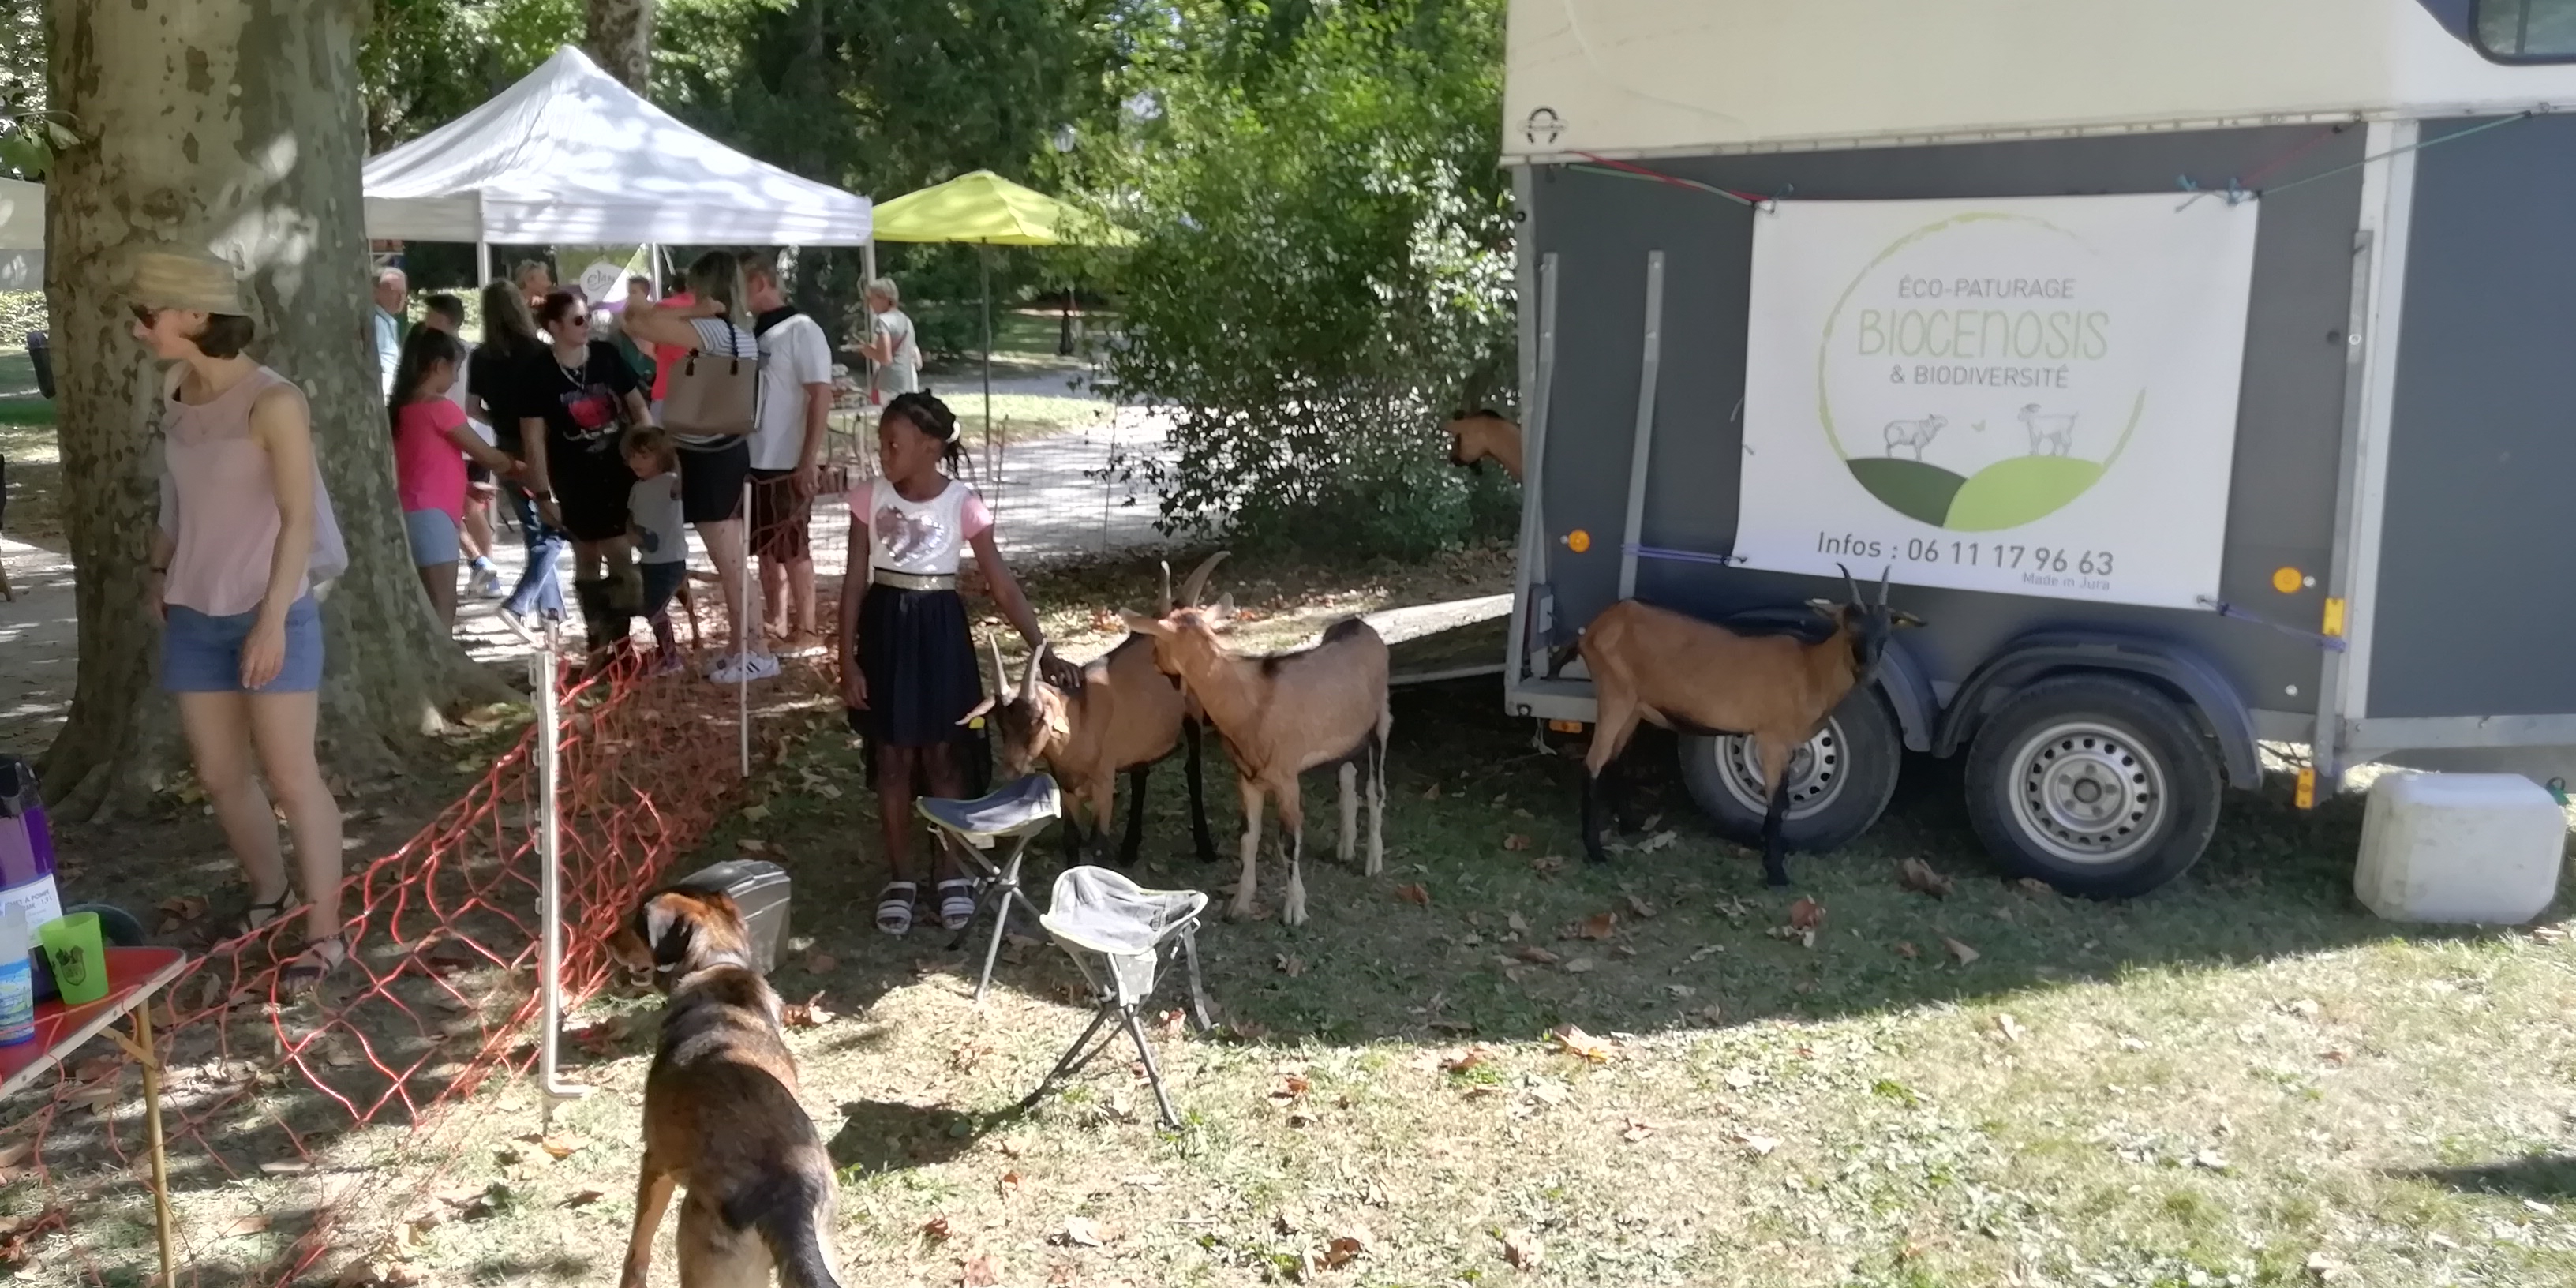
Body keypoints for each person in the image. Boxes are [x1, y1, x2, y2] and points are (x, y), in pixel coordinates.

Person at [131, 249, 349, 991]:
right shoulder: (175, 388)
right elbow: (177, 498)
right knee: (222, 775)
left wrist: (272, 621)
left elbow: (297, 519)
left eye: (148, 314)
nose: (139, 329)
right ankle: (270, 894)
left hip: (272, 611)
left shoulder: (275, 401)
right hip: (194, 611)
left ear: (196, 314)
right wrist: (158, 571)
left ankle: (325, 935)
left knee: (292, 776)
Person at [841, 391, 1073, 936]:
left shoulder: (963, 504)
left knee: (946, 757)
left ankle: (950, 874)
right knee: (892, 759)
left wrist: (1044, 649)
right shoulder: (868, 498)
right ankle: (901, 877)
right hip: (885, 635)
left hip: (941, 636)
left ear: (929, 446)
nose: (883, 454)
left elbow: (1002, 585)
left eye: (893, 444)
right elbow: (853, 583)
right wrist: (846, 659)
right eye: (881, 444)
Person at [621, 252, 774, 683]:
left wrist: (690, 308)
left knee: (730, 563)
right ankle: (744, 647)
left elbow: (635, 319)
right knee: (733, 561)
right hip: (728, 449)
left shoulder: (708, 329)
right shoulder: (740, 332)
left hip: (707, 455)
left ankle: (756, 651)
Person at [518, 289, 652, 659]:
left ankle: (621, 644)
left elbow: (639, 408)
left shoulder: (606, 355)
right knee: (587, 556)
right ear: (554, 327)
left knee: (621, 552)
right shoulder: (538, 371)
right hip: (573, 478)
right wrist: (542, 493)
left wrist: (653, 459)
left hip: (620, 471)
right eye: (578, 320)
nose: (586, 324)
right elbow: (533, 438)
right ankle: (598, 642)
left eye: (588, 317)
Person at [391, 327, 519, 629]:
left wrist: (467, 487)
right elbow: (486, 455)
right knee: (443, 604)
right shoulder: (439, 408)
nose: (457, 379)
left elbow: (420, 465)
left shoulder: (401, 409)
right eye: (456, 370)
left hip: (410, 511)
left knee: (428, 604)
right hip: (433, 516)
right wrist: (516, 464)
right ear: (438, 366)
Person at [743, 253, 835, 654]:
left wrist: (807, 458)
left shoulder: (803, 330)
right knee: (765, 548)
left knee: (794, 546)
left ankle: (808, 628)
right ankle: (777, 619)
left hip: (787, 459)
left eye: (740, 286)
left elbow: (820, 394)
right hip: (754, 459)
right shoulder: (754, 334)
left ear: (760, 283)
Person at [474, 281, 566, 640]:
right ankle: (520, 602)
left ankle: (551, 611)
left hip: (505, 447)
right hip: (542, 446)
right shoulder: (538, 351)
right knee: (556, 527)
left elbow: (472, 407)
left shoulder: (482, 356)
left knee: (534, 529)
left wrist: (498, 421)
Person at [420, 294, 503, 599]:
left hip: (456, 439)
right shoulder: (473, 353)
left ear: (443, 319)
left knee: (455, 508)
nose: (425, 322)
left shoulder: (440, 356)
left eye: (430, 316)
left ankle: (483, 567)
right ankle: (486, 571)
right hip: (474, 438)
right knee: (468, 509)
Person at [622, 425, 690, 676]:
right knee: (650, 608)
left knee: (656, 609)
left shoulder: (670, 483)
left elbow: (681, 477)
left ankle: (671, 658)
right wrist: (631, 533)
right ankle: (664, 653)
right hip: (649, 560)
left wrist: (674, 438)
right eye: (633, 456)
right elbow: (631, 518)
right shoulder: (637, 488)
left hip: (670, 561)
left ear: (662, 456)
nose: (637, 462)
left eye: (645, 456)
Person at [852, 277, 920, 403]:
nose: (869, 304)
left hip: (890, 382)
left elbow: (886, 358)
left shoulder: (883, 320)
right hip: (908, 379)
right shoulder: (906, 319)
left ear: (884, 298)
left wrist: (868, 351)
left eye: (872, 299)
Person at [371, 265, 408, 396]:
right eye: (394, 291)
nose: (401, 298)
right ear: (375, 291)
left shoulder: (386, 322)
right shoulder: (375, 323)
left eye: (403, 293)